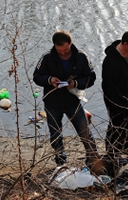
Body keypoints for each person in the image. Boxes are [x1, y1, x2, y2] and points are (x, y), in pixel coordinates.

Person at [33, 30, 98, 167]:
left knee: (84, 131)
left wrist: (76, 83)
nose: (62, 53)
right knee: (55, 134)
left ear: (70, 43)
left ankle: (93, 158)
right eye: (59, 50)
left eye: (65, 49)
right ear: (55, 46)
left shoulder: (81, 57)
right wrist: (50, 80)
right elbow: (37, 76)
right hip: (52, 102)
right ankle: (60, 161)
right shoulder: (47, 57)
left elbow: (91, 77)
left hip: (73, 102)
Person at [101, 29, 128, 164]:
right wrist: (117, 102)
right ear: (125, 44)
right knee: (116, 125)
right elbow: (107, 85)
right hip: (115, 99)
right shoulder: (111, 60)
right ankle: (111, 153)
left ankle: (124, 147)